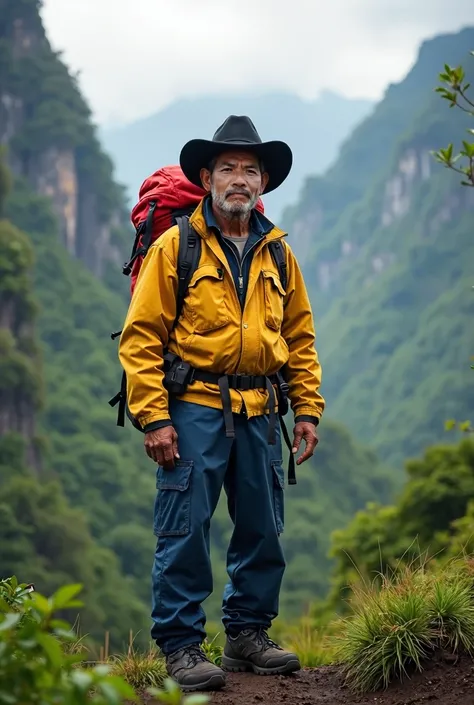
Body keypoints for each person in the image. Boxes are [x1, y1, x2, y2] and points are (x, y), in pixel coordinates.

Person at [118, 115, 325, 692]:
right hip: (193, 407)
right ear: (207, 178)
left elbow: (300, 337)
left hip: (261, 408)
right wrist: (154, 418)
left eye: (250, 170)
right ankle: (182, 647)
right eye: (228, 168)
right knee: (184, 528)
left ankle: (246, 635)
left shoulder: (278, 252)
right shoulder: (176, 246)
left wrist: (306, 408)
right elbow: (141, 338)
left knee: (262, 527)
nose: (240, 179)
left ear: (264, 184)